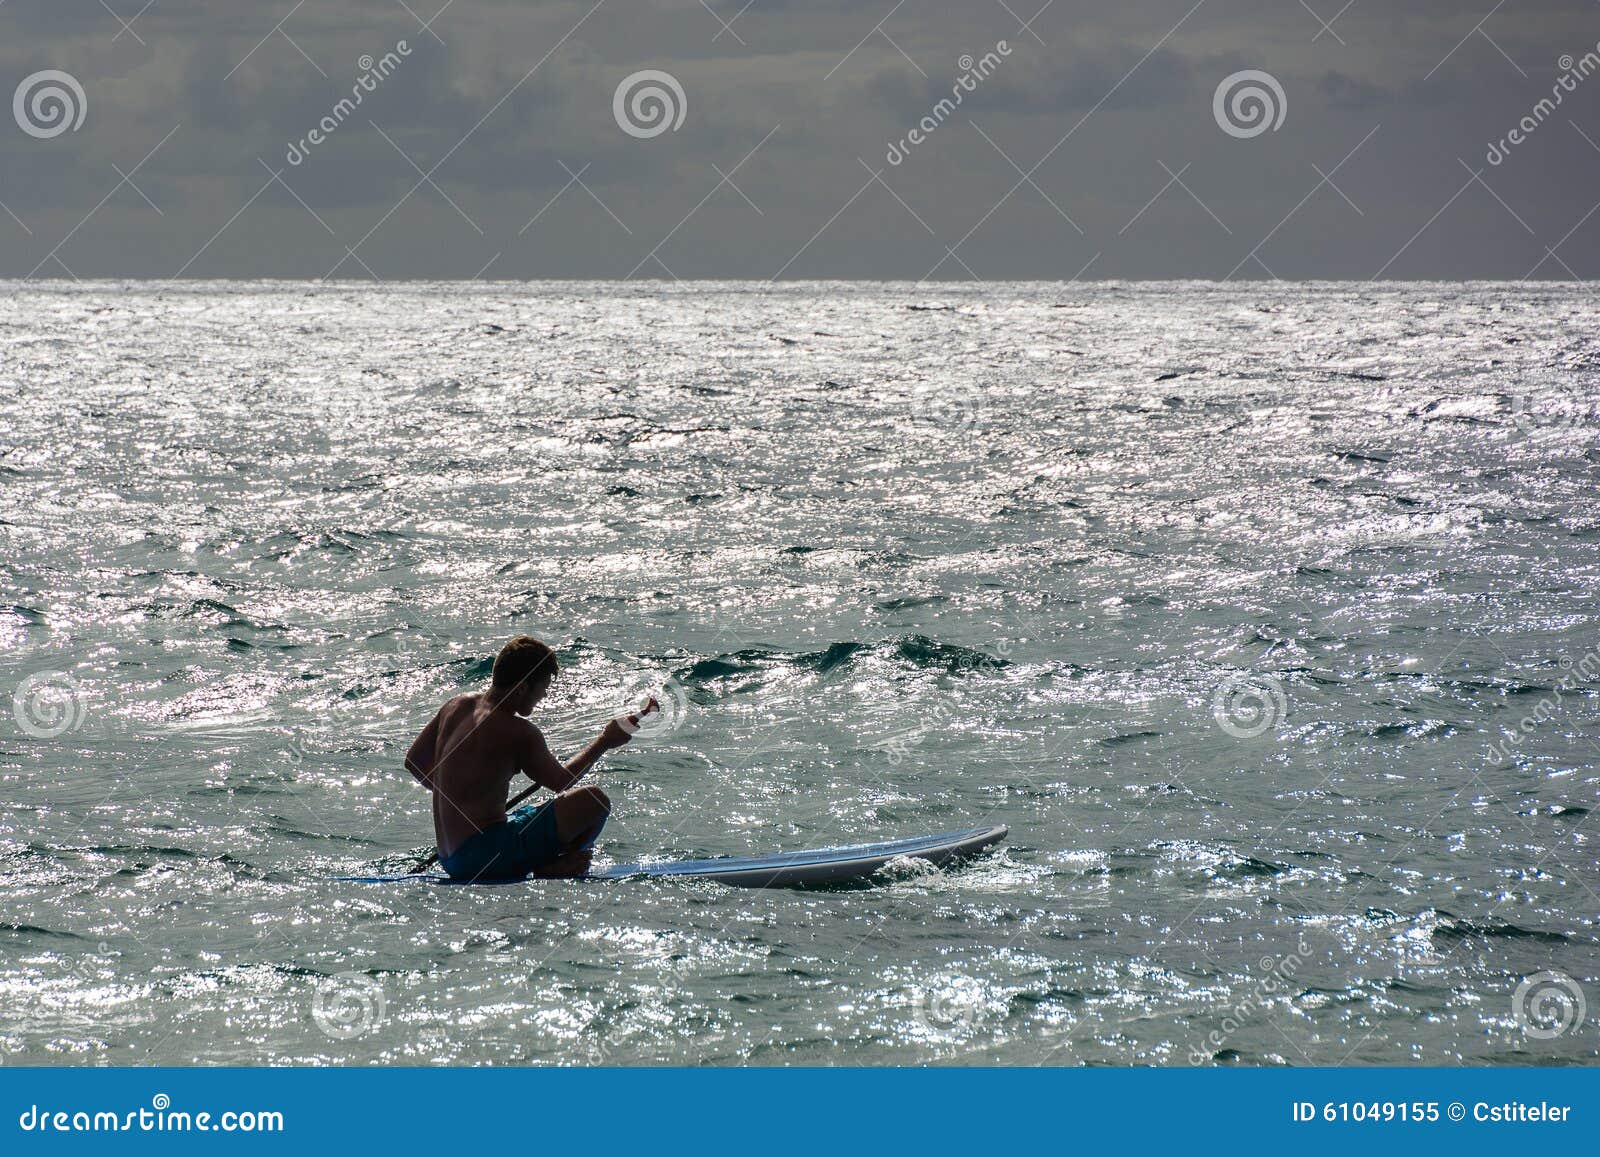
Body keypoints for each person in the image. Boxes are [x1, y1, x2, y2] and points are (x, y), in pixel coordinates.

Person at [404, 635, 655, 880]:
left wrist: (459, 798)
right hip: (486, 858)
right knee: (594, 801)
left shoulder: (456, 705)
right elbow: (561, 781)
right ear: (523, 687)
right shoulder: (518, 731)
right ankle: (558, 865)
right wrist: (605, 741)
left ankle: (548, 860)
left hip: (450, 858)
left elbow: (414, 762)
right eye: (543, 687)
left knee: (533, 810)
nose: (544, 696)